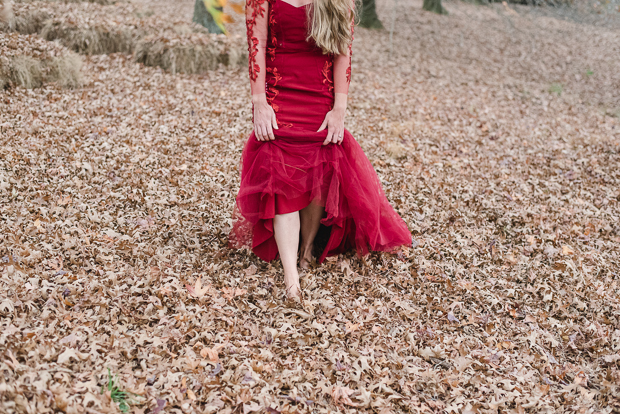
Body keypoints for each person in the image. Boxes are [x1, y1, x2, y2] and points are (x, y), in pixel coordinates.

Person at [230, 0, 412, 300]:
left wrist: (339, 109)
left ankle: (306, 251)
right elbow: (256, 46)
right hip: (280, 98)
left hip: (319, 99)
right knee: (281, 182)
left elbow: (343, 51)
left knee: (319, 175)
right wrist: (259, 103)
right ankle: (291, 278)